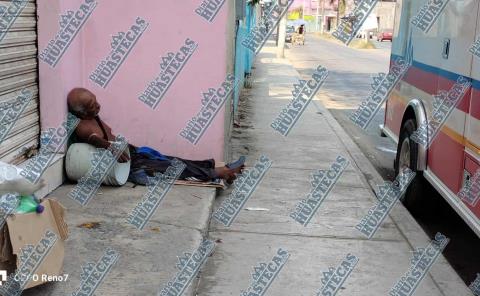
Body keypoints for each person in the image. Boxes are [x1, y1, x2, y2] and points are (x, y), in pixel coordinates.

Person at [66, 88, 245, 185]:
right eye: (91, 105)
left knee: (173, 159)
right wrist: (111, 147)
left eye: (96, 101)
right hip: (128, 167)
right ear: (81, 112)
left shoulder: (92, 116)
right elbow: (94, 139)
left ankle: (214, 167)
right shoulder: (82, 126)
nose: (97, 106)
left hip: (133, 154)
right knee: (170, 167)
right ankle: (218, 173)